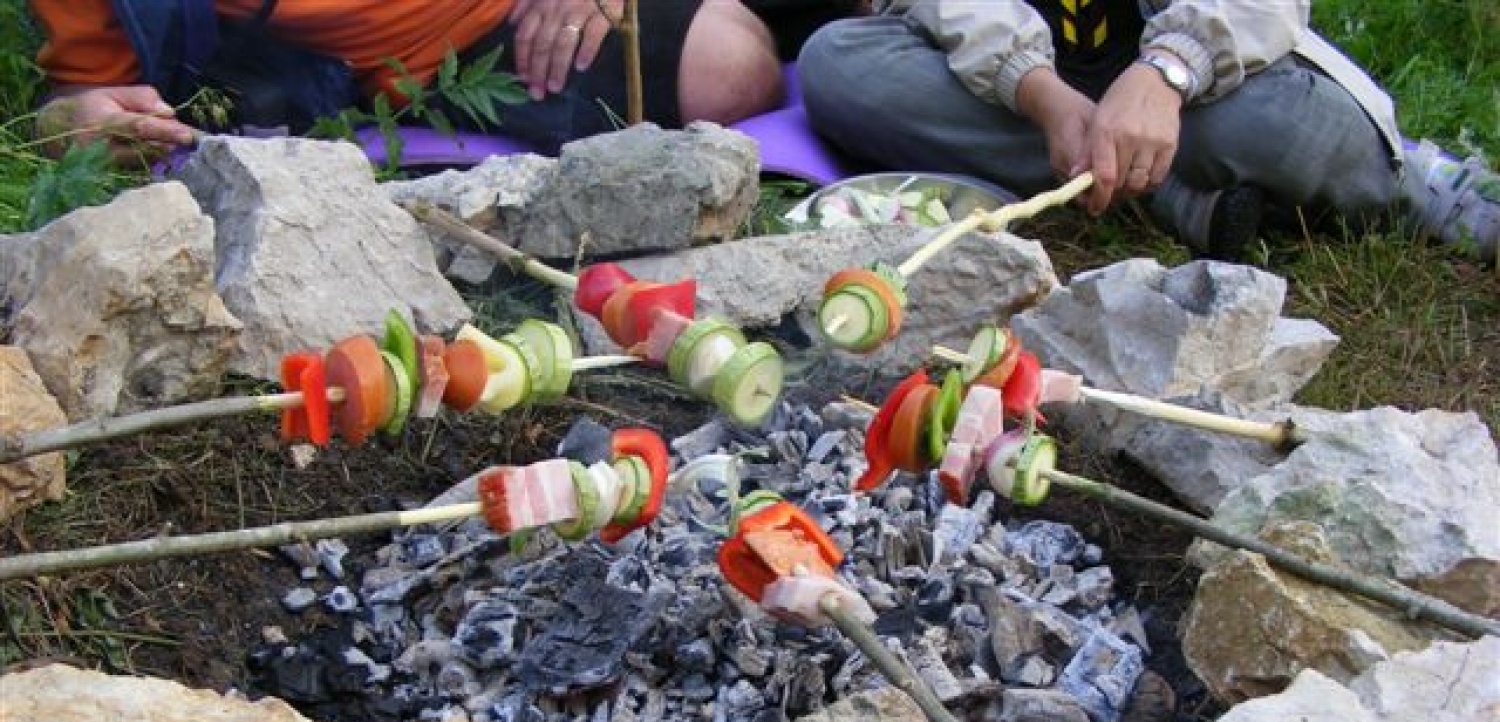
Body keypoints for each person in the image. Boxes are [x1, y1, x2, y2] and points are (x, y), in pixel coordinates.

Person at [797, 1, 1499, 263]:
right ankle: (1168, 195)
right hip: (1021, 95)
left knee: (1278, 122)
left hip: (1206, 88)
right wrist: (1043, 96)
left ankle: (1415, 187)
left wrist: (1166, 70)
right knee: (837, 64)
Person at [28, 0, 789, 161]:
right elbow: (77, 100)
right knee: (731, 68)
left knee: (757, 57)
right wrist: (77, 123)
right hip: (427, 50)